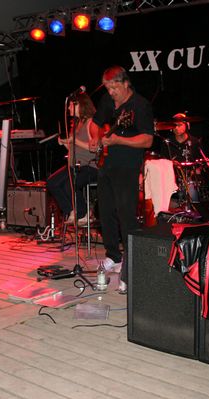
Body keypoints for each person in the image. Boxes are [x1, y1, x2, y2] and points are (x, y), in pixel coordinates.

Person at [89, 65, 155, 294]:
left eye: (114, 88)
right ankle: (113, 256)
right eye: (108, 88)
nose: (111, 93)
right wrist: (95, 138)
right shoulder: (108, 101)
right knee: (105, 211)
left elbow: (147, 140)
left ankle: (130, 262)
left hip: (127, 166)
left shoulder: (140, 105)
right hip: (106, 163)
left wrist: (119, 140)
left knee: (126, 214)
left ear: (126, 83)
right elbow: (95, 123)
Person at [47, 92, 98, 226]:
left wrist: (73, 141)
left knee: (70, 184)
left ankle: (84, 212)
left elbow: (94, 148)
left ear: (79, 105)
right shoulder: (76, 124)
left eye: (70, 105)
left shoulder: (91, 123)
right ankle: (72, 210)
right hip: (75, 165)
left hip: (89, 166)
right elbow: (73, 148)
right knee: (52, 183)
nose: (68, 108)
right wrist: (66, 143)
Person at [163, 113, 203, 202]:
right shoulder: (167, 142)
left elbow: (200, 161)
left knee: (193, 195)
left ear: (187, 125)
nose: (176, 128)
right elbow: (162, 162)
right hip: (171, 178)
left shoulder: (194, 142)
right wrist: (170, 163)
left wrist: (197, 170)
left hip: (189, 178)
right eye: (174, 125)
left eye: (180, 125)